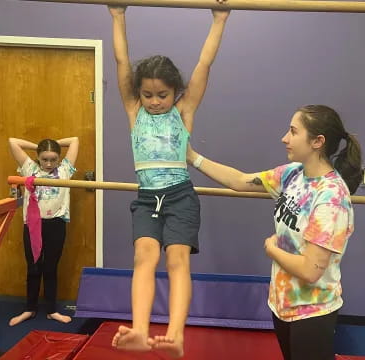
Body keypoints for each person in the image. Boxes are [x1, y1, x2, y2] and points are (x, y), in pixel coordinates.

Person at [183, 105, 362, 360]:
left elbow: (311, 271)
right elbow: (240, 181)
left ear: (317, 141)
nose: (284, 138)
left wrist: (272, 250)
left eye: (293, 131)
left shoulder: (331, 198)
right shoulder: (293, 175)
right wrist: (192, 157)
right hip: (282, 305)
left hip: (312, 312)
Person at [108, 3, 230, 357]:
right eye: (147, 95)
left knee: (177, 258)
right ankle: (141, 331)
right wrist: (117, 15)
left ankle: (175, 335)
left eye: (162, 95)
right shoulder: (134, 110)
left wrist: (219, 20)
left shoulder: (183, 110)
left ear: (175, 92)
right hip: (147, 197)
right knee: (144, 257)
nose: (155, 101)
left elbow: (203, 65)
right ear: (138, 93)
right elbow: (121, 61)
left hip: (179, 195)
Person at [8, 137, 79, 327]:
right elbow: (12, 142)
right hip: (33, 225)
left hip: (56, 224)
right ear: (38, 157)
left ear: (59, 159)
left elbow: (75, 140)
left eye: (53, 159)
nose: (48, 164)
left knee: (50, 268)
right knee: (33, 268)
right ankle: (29, 309)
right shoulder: (30, 169)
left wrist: (50, 145)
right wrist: (38, 146)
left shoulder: (65, 169)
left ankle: (51, 310)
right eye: (44, 159)